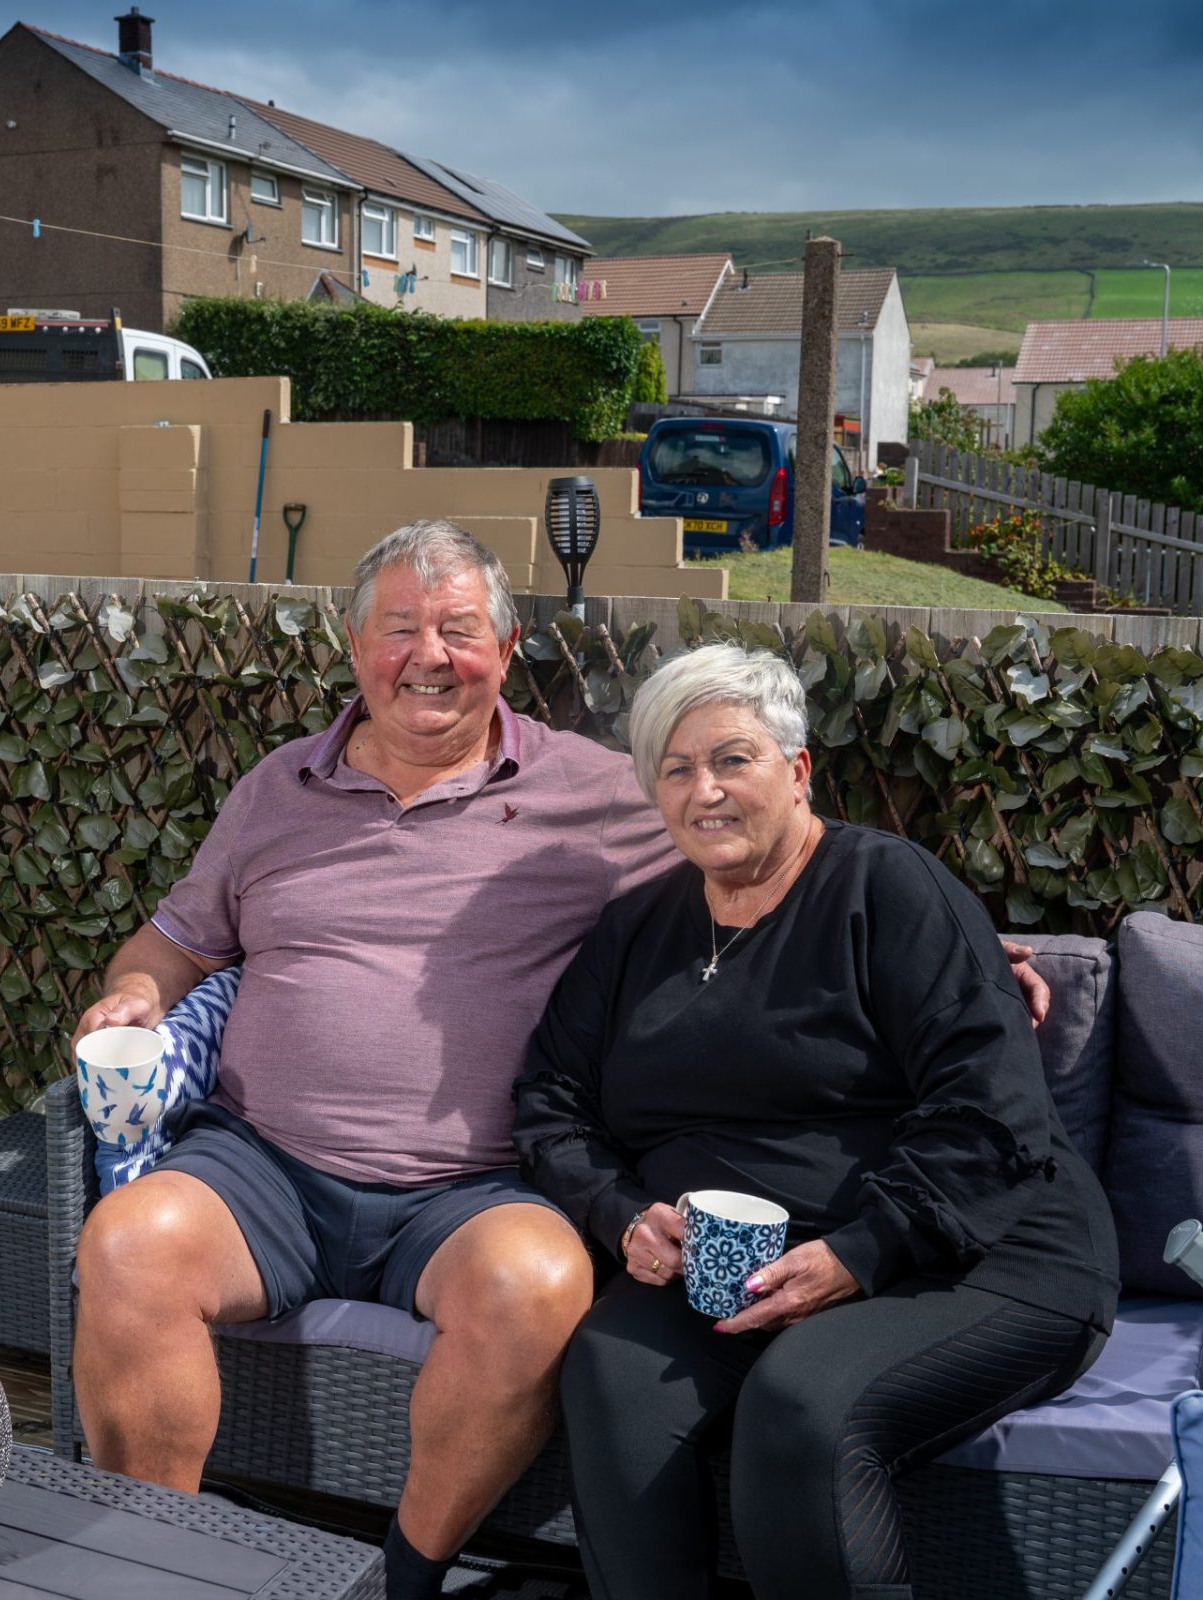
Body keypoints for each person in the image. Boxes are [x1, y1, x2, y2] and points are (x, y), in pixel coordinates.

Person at [71, 523, 1051, 1599]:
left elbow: (759, 822)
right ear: (354, 646)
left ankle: (403, 1576)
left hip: (478, 1188)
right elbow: (176, 939)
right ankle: (152, 1568)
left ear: (507, 645)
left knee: (538, 1286)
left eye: (459, 629)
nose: (428, 656)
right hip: (262, 1163)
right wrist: (137, 989)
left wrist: (963, 942)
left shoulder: (596, 791)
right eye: (400, 628)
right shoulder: (274, 789)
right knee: (127, 1245)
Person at [512, 642, 1118, 1600]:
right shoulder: (637, 930)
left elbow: (992, 1111)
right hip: (739, 1262)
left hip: (973, 1253)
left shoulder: (888, 889)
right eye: (675, 769)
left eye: (731, 759)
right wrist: (619, 1212)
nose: (703, 789)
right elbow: (551, 1096)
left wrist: (862, 1252)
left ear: (797, 771)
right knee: (610, 1374)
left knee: (803, 1404)